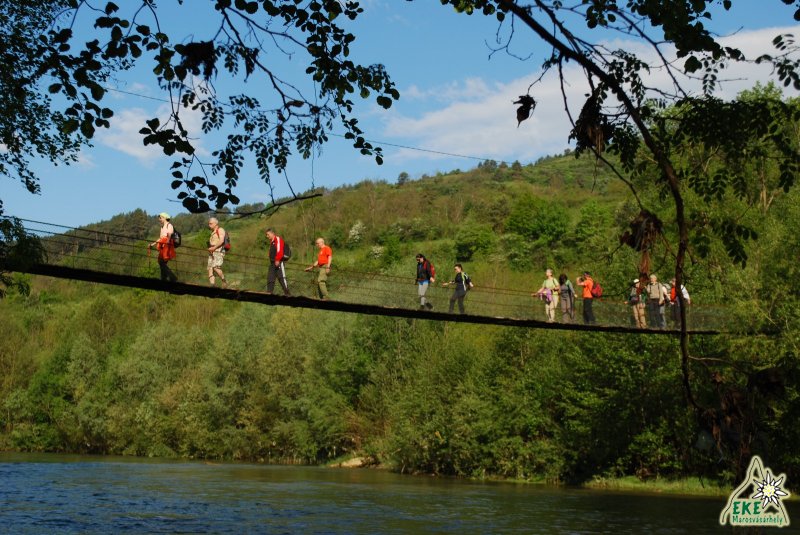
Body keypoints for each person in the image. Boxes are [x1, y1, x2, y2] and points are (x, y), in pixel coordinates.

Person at [149, 212, 177, 282]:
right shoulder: (162, 227)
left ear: (164, 218)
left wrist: (167, 241)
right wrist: (153, 244)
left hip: (167, 246)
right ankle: (164, 278)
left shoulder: (169, 225)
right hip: (162, 246)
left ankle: (172, 277)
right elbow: (160, 238)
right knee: (162, 262)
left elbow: (170, 234)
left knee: (162, 262)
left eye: (160, 218)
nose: (159, 219)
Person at [265, 228, 290, 296]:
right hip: (272, 263)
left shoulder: (277, 239)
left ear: (272, 233)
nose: (267, 236)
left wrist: (277, 260)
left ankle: (287, 294)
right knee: (270, 278)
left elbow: (280, 251)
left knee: (281, 278)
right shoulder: (272, 242)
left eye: (268, 234)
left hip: (278, 262)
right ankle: (269, 293)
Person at [207, 217, 228, 288]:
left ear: (216, 223)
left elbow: (221, 240)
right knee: (210, 268)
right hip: (212, 252)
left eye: (211, 223)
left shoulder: (220, 230)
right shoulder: (213, 232)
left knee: (215, 267)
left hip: (218, 251)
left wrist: (214, 248)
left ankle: (224, 280)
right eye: (209, 223)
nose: (209, 225)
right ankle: (212, 285)